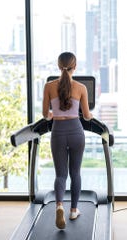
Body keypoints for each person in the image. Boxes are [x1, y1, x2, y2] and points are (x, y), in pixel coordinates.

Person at [42, 52, 93, 230]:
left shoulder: (49, 86)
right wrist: (90, 114)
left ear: (58, 66)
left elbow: (45, 114)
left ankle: (59, 206)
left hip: (58, 131)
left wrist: (52, 114)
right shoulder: (81, 88)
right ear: (75, 66)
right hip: (76, 131)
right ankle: (73, 210)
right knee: (75, 173)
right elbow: (86, 116)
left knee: (60, 175)